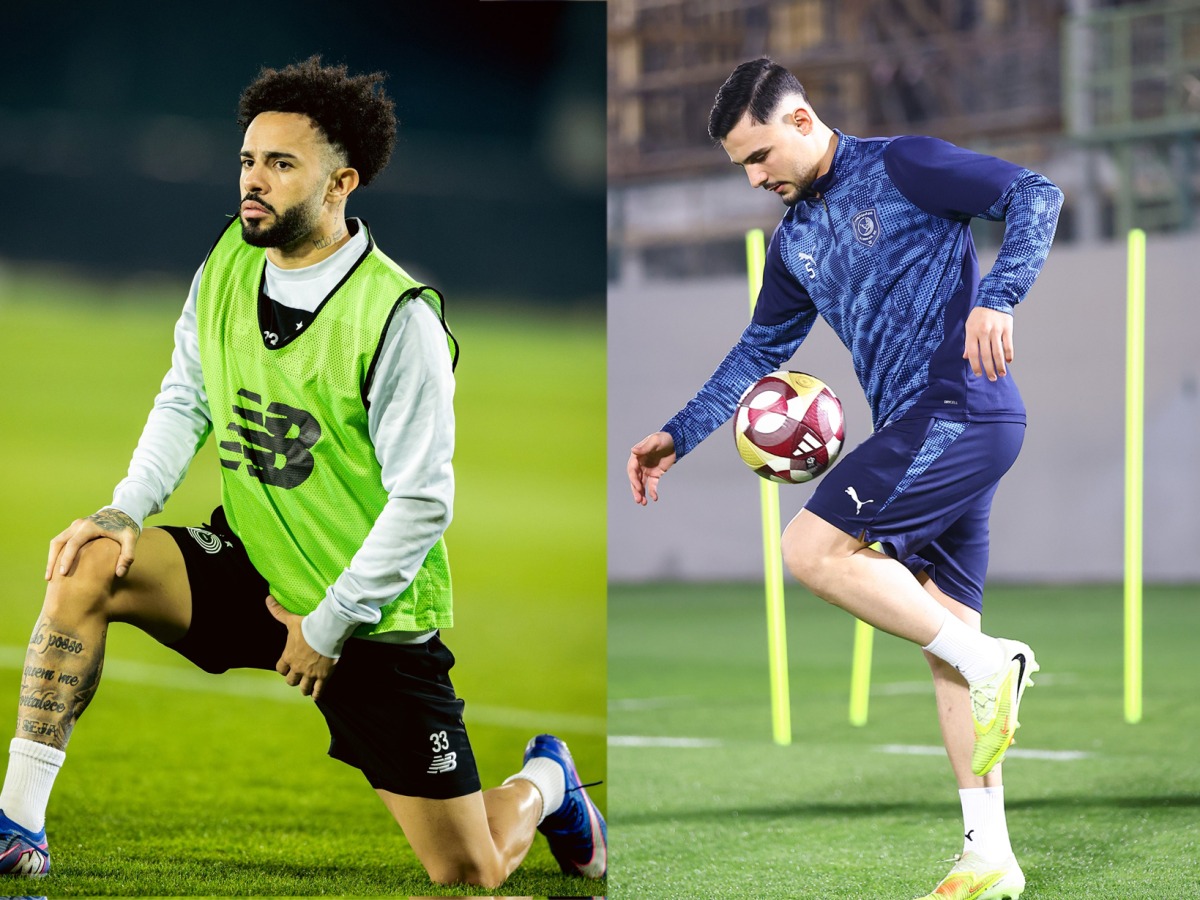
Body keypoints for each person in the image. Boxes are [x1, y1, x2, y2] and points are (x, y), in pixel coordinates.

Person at [0, 56, 605, 888]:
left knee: (468, 869)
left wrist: (330, 624)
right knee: (89, 562)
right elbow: (188, 396)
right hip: (247, 563)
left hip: (366, 616)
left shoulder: (398, 319)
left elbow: (424, 500)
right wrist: (126, 508)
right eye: (249, 160)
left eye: (282, 165)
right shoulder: (227, 261)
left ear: (340, 183)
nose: (255, 181)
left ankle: (547, 784)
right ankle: (17, 824)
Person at [627, 58, 1061, 900]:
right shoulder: (794, 243)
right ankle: (989, 855)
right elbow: (760, 350)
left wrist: (999, 294)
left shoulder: (903, 165)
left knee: (812, 550)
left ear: (799, 120)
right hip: (927, 430)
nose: (755, 178)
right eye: (741, 167)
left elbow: (1035, 193)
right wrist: (680, 433)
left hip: (959, 411)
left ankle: (995, 661)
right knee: (946, 645)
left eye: (759, 157)